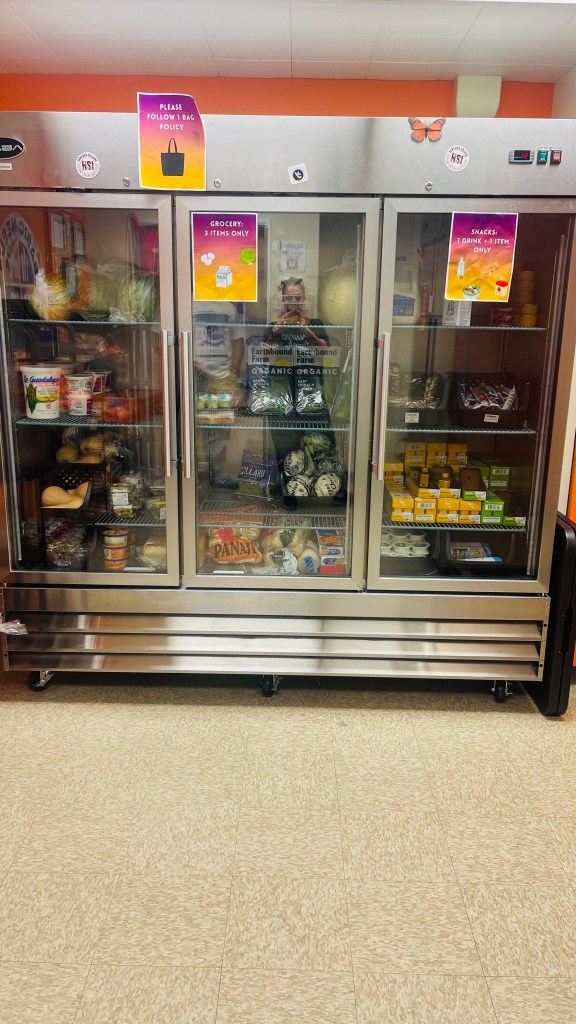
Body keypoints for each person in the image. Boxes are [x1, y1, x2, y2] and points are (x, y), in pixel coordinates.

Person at [264, 278, 329, 348]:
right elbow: (265, 355)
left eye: (298, 298)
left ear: (304, 299)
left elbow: (324, 352)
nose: (294, 302)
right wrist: (276, 331)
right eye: (288, 298)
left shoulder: (316, 324)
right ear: (283, 301)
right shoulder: (274, 327)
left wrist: (306, 330)